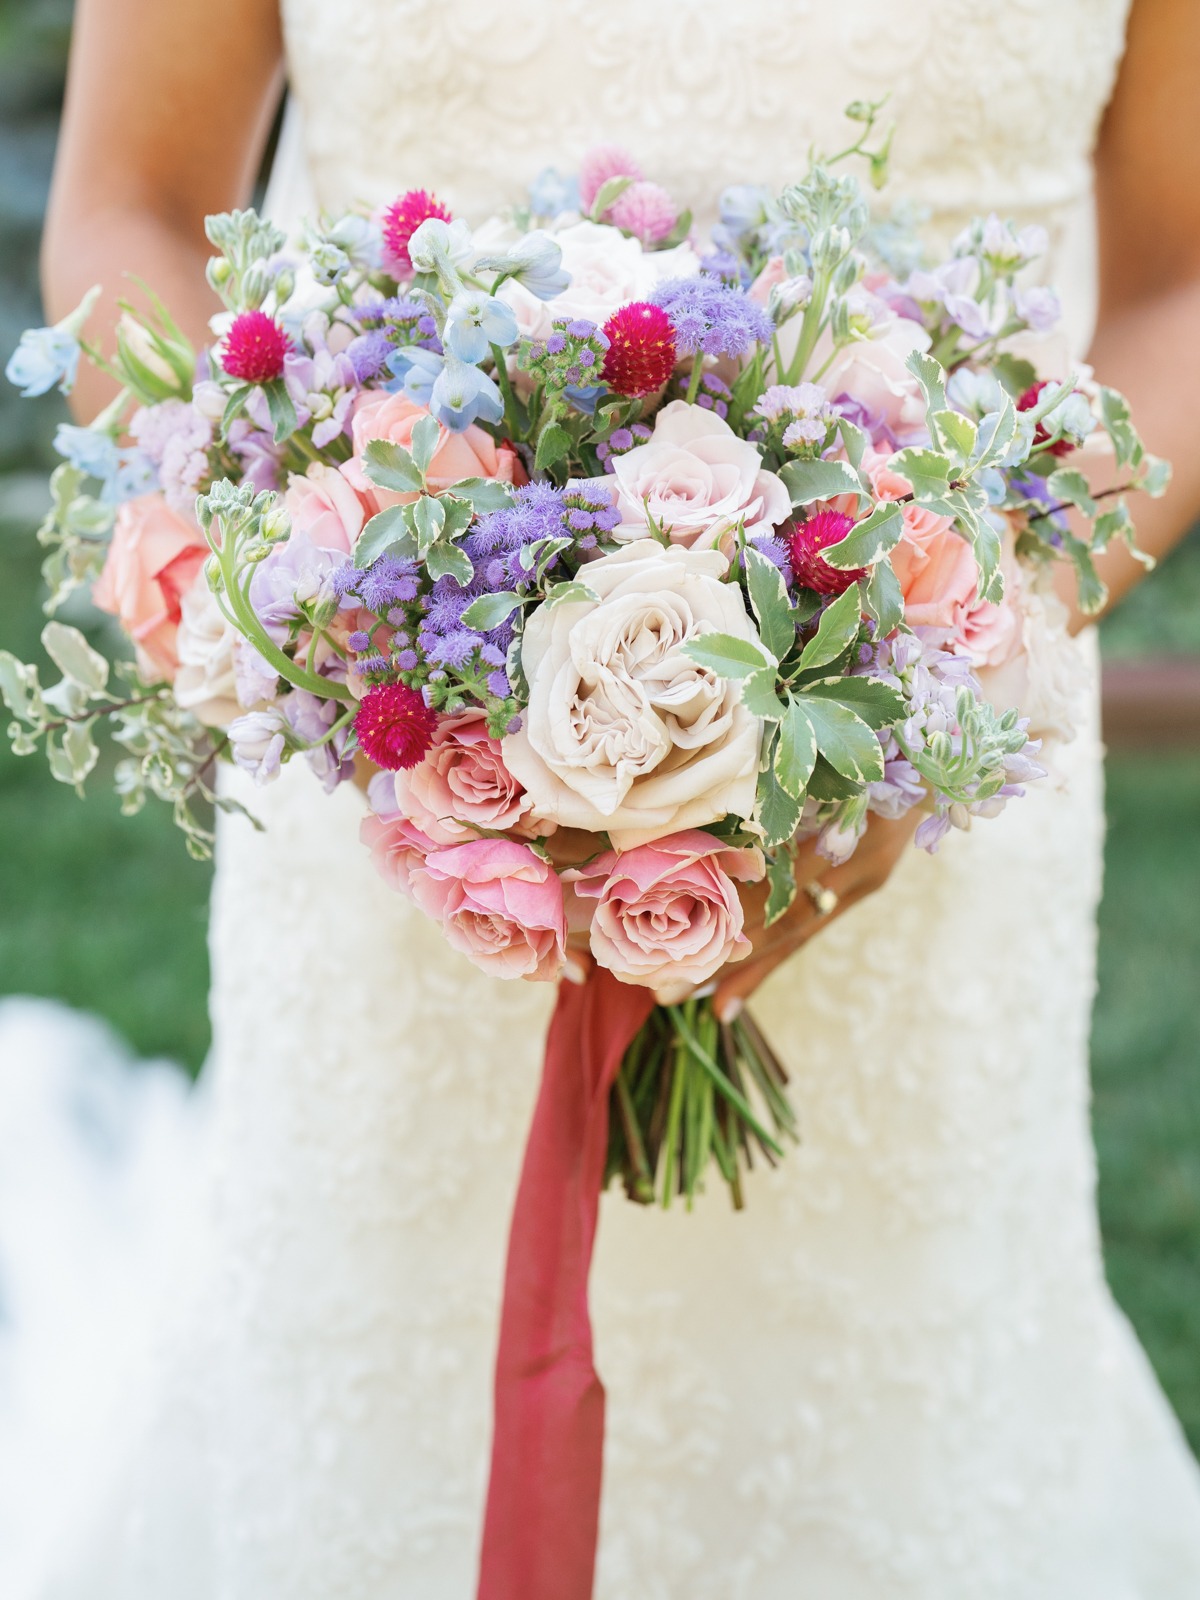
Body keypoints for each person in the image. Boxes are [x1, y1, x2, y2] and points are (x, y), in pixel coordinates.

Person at [32, 0, 1200, 1594]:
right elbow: (131, 209)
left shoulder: (936, 696)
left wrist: (950, 656)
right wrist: (349, 620)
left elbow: (1184, 283)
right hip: (398, 791)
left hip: (927, 817)